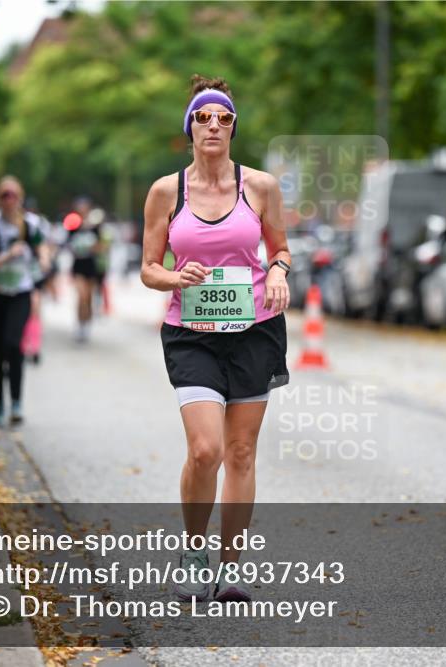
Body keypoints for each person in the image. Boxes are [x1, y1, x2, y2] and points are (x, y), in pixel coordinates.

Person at [141, 75, 292, 603]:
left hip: (254, 331)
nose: (214, 125)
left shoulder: (261, 188)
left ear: (233, 128)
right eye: (203, 117)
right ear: (190, 128)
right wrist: (175, 278)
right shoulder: (167, 191)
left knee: (242, 452)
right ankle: (193, 553)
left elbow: (281, 248)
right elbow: (148, 268)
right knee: (206, 451)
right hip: (191, 335)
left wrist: (277, 272)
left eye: (224, 117)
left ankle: (231, 568)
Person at [0, 176, 50, 427]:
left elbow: (42, 247)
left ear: (20, 197)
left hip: (20, 293)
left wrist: (45, 259)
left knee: (13, 344)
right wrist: (6, 257)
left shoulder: (30, 224)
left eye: (14, 194)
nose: (10, 199)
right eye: (5, 195)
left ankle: (16, 402)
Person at [64, 197, 105, 342]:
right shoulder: (73, 224)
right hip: (78, 266)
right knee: (81, 296)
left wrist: (94, 248)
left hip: (91, 266)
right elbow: (67, 244)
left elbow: (101, 246)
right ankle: (80, 325)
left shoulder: (95, 226)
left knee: (88, 298)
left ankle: (86, 323)